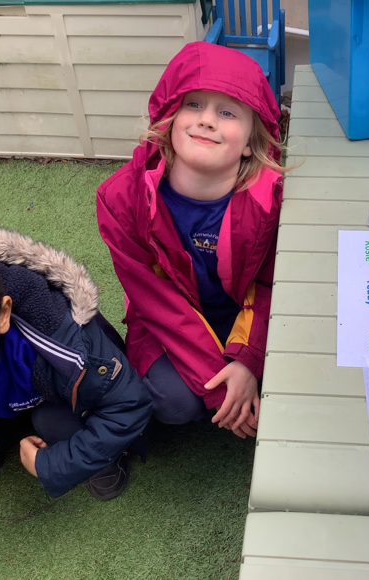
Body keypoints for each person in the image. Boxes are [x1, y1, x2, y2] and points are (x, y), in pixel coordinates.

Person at [97, 42, 286, 440]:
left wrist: (246, 360)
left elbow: (270, 284)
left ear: (250, 142)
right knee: (175, 402)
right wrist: (218, 389)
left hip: (241, 313)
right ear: (168, 117)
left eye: (228, 112)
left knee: (293, 377)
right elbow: (156, 300)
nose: (207, 120)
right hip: (169, 319)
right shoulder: (122, 198)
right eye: (193, 104)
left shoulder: (270, 201)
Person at [0, 229, 152, 524]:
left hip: (56, 403)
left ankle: (103, 459)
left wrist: (60, 464)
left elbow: (127, 403)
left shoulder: (63, 332)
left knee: (55, 422)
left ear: (1, 314)